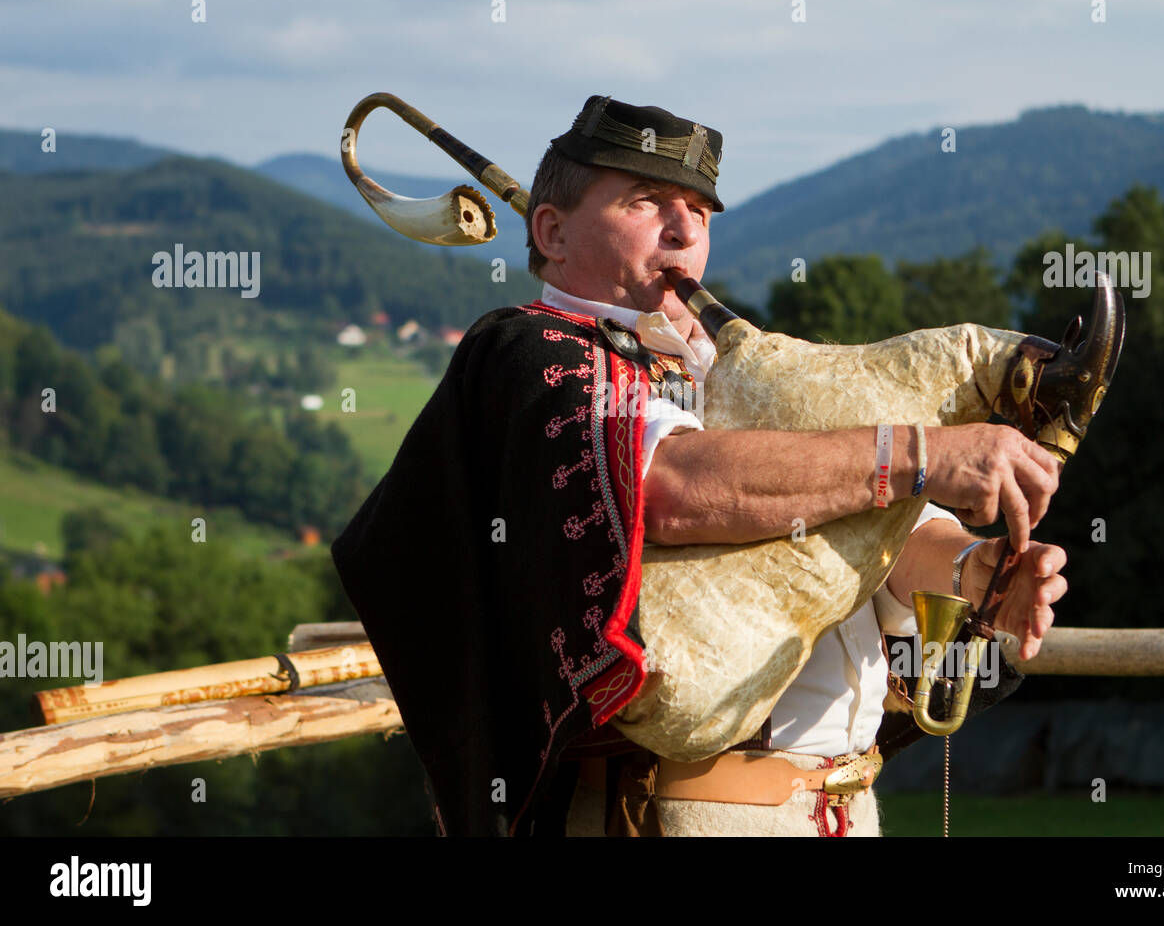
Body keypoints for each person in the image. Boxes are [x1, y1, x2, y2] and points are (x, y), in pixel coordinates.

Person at [332, 95, 1069, 837]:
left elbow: (883, 533)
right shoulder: (533, 359)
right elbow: (673, 488)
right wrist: (919, 453)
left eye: (701, 211)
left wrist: (974, 573)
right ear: (551, 230)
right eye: (647, 202)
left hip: (842, 804)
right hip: (677, 811)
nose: (683, 230)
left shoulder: (733, 370)